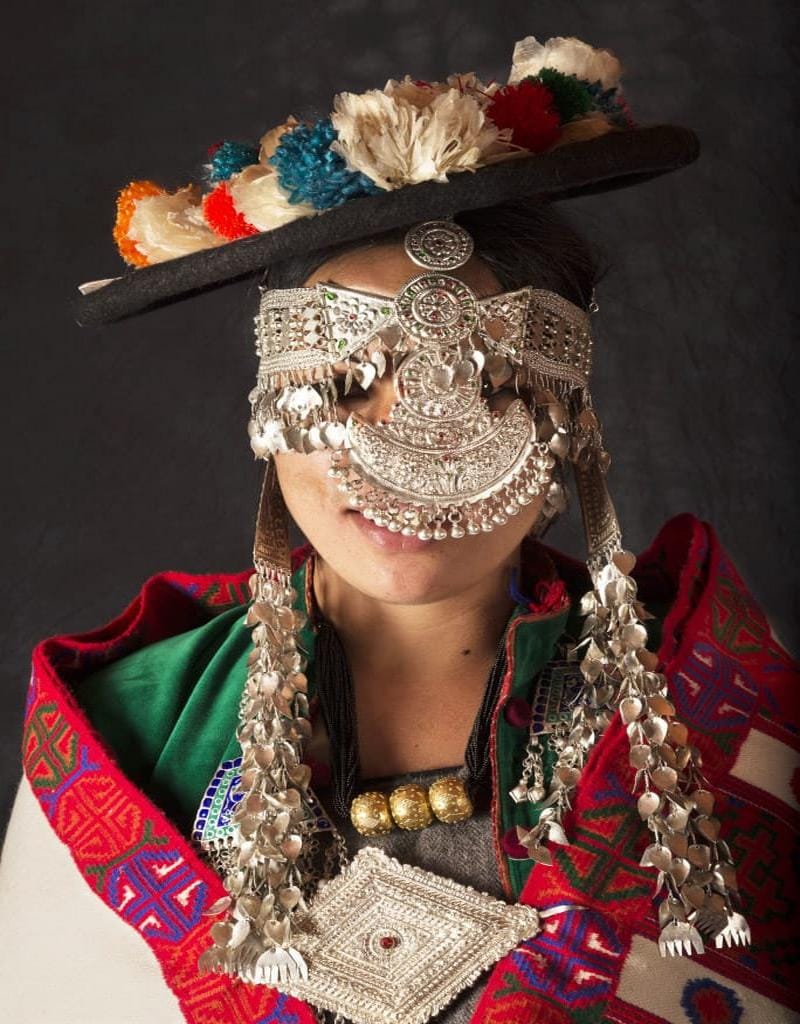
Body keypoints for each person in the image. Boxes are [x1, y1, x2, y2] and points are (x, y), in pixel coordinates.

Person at [1, 32, 797, 1024]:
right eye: (344, 385)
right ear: (267, 415)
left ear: (565, 421)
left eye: (485, 389)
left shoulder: (721, 717)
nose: (406, 445)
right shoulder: (132, 739)